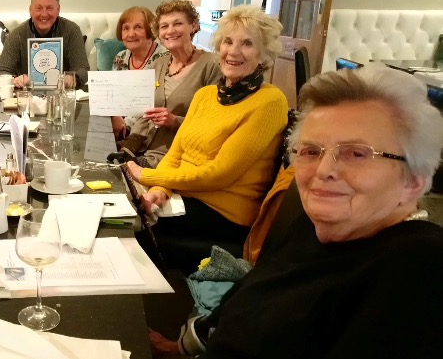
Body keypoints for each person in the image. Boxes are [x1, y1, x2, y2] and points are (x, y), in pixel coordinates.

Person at [151, 67, 443, 358]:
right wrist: (181, 348)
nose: (324, 171)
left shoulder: (420, 270)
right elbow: (250, 297)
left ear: (413, 180)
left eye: (356, 154)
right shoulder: (314, 225)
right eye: (311, 151)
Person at [126, 5, 288, 272]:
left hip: (225, 214)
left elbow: (220, 174)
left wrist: (149, 176)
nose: (233, 51)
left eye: (247, 44)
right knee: (123, 216)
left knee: (131, 232)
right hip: (185, 198)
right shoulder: (205, 95)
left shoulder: (270, 101)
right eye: (228, 41)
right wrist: (160, 190)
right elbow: (176, 154)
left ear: (263, 54)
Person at [114, 1, 221, 159]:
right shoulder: (158, 64)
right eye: (164, 26)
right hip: (142, 149)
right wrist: (128, 148)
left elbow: (215, 123)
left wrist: (175, 121)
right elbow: (145, 114)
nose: (170, 31)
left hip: (177, 155)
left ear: (193, 26)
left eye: (177, 24)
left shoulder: (212, 65)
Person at [0, 0, 90, 89]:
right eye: (38, 8)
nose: (44, 14)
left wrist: (74, 78)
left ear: (58, 10)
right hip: (27, 95)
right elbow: (1, 72)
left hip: (63, 94)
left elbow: (83, 69)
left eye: (49, 8)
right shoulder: (17, 35)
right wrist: (15, 80)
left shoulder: (71, 31)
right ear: (30, 10)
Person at [109, 6, 169, 140]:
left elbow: (159, 103)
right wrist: (115, 117)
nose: (131, 34)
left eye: (138, 27)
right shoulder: (120, 57)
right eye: (126, 28)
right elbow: (113, 95)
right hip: (118, 125)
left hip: (150, 128)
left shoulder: (165, 59)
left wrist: (125, 124)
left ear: (150, 30)